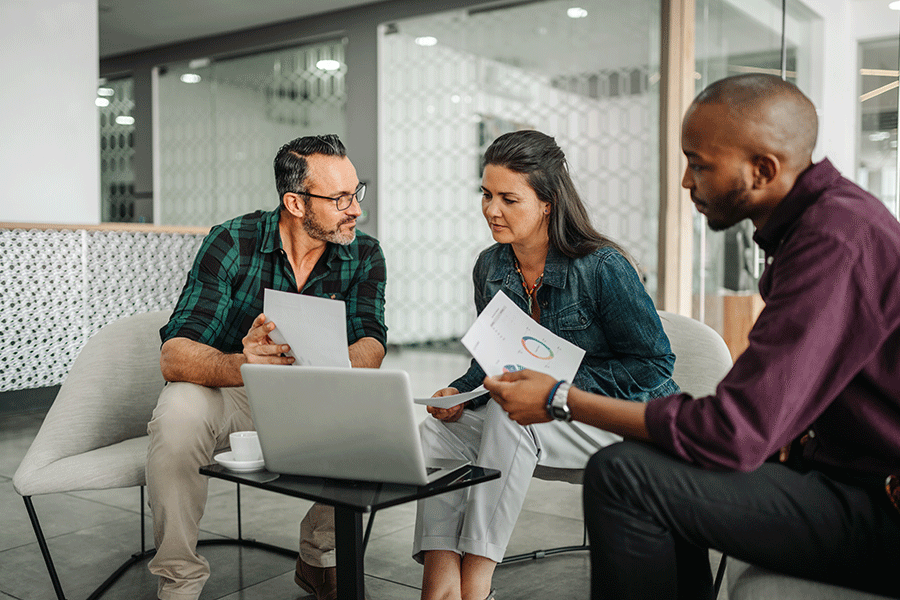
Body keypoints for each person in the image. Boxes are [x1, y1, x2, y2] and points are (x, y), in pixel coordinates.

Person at [485, 74, 900, 600]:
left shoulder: (836, 241)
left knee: (623, 477)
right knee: (654, 462)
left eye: (699, 164)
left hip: (881, 508)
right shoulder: (824, 224)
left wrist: (559, 398)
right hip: (847, 478)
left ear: (763, 170)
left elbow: (732, 432)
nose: (686, 182)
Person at [414, 129, 680, 600]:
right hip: (540, 418)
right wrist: (458, 391)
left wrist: (555, 386)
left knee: (510, 414)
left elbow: (655, 365)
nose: (491, 210)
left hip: (611, 418)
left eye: (509, 199)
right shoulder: (490, 267)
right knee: (437, 432)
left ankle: (477, 585)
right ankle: (440, 583)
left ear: (548, 202)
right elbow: (490, 358)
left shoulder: (602, 266)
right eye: (486, 194)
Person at [146, 134, 387, 600]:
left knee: (369, 415)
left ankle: (319, 559)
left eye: (356, 193)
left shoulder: (364, 253)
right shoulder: (232, 241)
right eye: (339, 198)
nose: (355, 209)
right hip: (233, 392)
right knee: (177, 412)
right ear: (295, 202)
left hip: (313, 394)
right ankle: (179, 581)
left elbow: (371, 343)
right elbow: (174, 354)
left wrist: (323, 364)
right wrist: (245, 361)